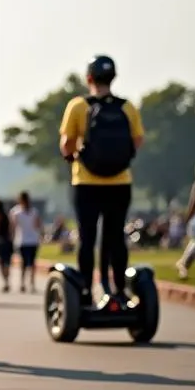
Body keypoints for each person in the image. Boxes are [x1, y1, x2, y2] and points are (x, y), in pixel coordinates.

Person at [59, 55, 144, 305]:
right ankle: (118, 290)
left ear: (88, 79)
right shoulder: (127, 107)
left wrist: (76, 155)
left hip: (86, 183)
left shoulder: (78, 106)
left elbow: (66, 145)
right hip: (120, 183)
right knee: (115, 237)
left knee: (87, 239)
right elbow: (137, 141)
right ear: (113, 77)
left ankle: (86, 291)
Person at [9, 191, 43, 293]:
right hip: (33, 240)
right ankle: (31, 284)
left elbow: (13, 227)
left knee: (23, 263)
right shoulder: (34, 211)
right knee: (32, 263)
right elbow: (38, 225)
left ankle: (23, 283)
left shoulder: (15, 212)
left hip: (22, 240)